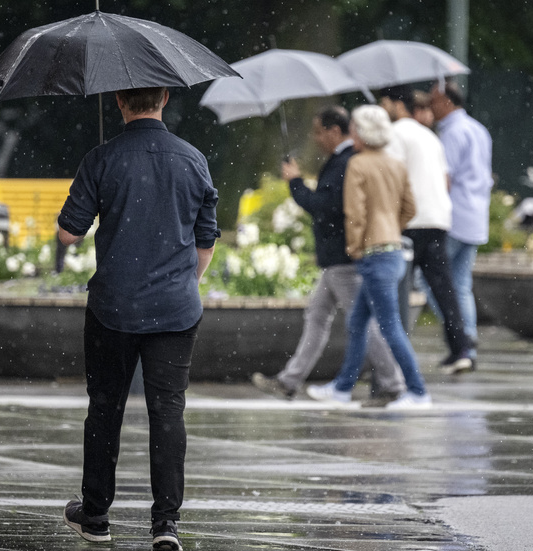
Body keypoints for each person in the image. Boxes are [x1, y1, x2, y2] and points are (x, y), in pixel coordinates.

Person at [58, 86, 220, 549]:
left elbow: (69, 233)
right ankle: (165, 524)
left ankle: (95, 515)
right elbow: (206, 239)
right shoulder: (193, 159)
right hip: (175, 309)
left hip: (114, 307)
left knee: (105, 408)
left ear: (118, 102)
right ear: (165, 98)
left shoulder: (102, 158)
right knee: (168, 412)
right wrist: (186, 283)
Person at [251, 106, 406, 406]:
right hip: (338, 259)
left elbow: (326, 206)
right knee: (318, 316)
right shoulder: (343, 161)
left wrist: (296, 182)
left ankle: (393, 383)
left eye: (319, 131)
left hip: (343, 259)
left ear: (335, 131)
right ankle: (289, 380)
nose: (316, 137)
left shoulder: (345, 162)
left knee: (364, 323)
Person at [306, 105, 431, 409]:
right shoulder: (396, 164)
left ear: (361, 134)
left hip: (372, 255)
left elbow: (355, 213)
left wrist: (354, 246)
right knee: (359, 322)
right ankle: (342, 388)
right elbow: (410, 208)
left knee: (389, 327)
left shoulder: (358, 165)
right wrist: (391, 227)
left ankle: (416, 391)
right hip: (394, 250)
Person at [379, 84, 474, 374]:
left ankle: (394, 354)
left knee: (397, 288)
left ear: (397, 106)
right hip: (438, 218)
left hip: (411, 221)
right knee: (444, 289)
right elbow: (445, 180)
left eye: (385, 104)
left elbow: (392, 178)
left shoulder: (396, 135)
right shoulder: (431, 137)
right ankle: (461, 349)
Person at [429, 82, 494, 364]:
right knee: (460, 282)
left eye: (434, 101)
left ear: (446, 101)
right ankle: (467, 342)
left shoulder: (452, 133)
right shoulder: (478, 129)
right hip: (476, 214)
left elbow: (445, 177)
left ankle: (459, 336)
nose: (431, 107)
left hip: (454, 215)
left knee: (430, 279)